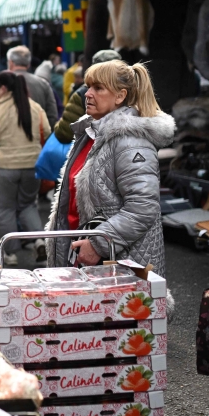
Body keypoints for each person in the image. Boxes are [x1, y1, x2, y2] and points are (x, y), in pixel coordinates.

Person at [44, 60, 174, 274]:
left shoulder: (130, 142)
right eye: (88, 86)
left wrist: (97, 244)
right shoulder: (90, 133)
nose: (87, 93)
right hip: (85, 258)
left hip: (119, 265)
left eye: (98, 88)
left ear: (120, 96)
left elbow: (142, 208)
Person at [0, 71, 50, 265]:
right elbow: (47, 130)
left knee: (5, 210)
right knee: (28, 205)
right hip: (32, 166)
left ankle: (10, 254)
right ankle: (38, 241)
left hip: (4, 167)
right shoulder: (35, 107)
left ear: (3, 89)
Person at [36, 50, 121, 183]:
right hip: (125, 162)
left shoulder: (83, 93)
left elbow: (64, 133)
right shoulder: (134, 93)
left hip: (89, 167)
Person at [0, 46, 57, 129]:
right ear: (28, 64)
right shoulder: (43, 84)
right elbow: (52, 116)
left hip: (4, 138)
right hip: (37, 138)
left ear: (10, 62)